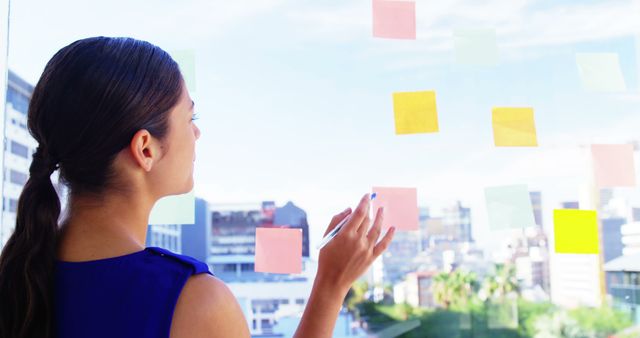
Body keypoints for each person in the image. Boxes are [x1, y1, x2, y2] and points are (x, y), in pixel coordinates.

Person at [0, 36, 395, 338]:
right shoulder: (192, 303)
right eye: (190, 116)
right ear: (145, 148)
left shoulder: (17, 278)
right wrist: (330, 285)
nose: (198, 133)